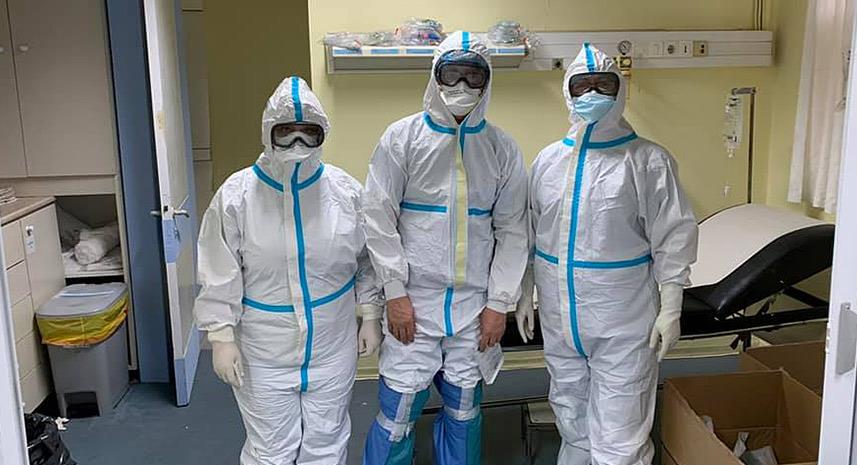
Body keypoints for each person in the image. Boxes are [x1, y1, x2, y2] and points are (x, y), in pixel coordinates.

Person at [515, 43, 698, 465]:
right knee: (570, 417)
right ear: (568, 91)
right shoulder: (548, 160)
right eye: (583, 85)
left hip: (623, 321)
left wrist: (671, 307)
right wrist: (525, 292)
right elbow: (530, 233)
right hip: (560, 320)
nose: (593, 93)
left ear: (621, 91)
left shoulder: (648, 161)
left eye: (603, 84)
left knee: (620, 435)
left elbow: (673, 238)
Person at [194, 76, 383, 465]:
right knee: (271, 450)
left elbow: (368, 260)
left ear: (322, 134)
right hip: (264, 350)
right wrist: (221, 335)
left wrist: (371, 314)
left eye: (308, 132)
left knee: (326, 443)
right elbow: (218, 269)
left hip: (332, 344)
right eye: (286, 132)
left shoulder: (345, 192)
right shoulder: (237, 196)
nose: (298, 143)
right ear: (269, 133)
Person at [361, 31, 528, 465]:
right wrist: (394, 294)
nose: (462, 86)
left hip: (474, 308)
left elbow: (513, 231)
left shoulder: (501, 148)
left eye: (474, 76)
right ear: (435, 76)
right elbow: (378, 218)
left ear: (487, 81)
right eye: (452, 74)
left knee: (464, 408)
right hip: (413, 303)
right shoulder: (402, 138)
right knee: (398, 412)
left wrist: (499, 304)